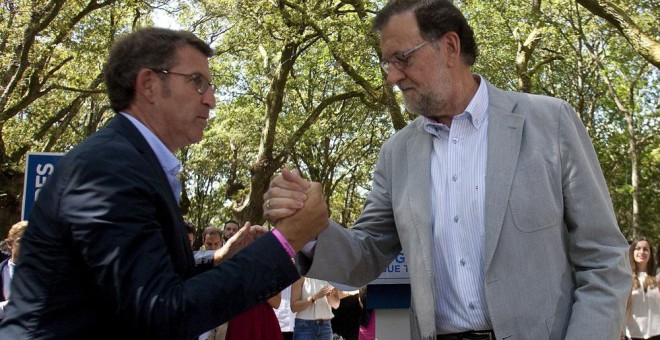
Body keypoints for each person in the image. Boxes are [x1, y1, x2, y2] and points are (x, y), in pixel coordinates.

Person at [263, 0, 631, 339]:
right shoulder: (397, 153)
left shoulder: (550, 122)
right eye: (386, 63)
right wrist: (308, 227)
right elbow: (365, 255)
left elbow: (604, 259)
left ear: (450, 47)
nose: (391, 76)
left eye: (402, 59)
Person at [0, 27, 328, 339]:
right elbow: (161, 313)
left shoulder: (133, 162)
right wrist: (288, 239)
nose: (211, 99)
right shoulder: (108, 170)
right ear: (149, 85)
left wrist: (217, 260)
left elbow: (144, 286)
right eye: (198, 82)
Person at [624, 237, 660, 340]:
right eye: (638, 248)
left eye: (645, 249)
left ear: (650, 253)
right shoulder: (625, 276)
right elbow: (622, 307)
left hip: (656, 334)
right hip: (633, 334)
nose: (642, 252)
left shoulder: (657, 275)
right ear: (632, 252)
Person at [0, 221, 27, 319]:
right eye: (21, 241)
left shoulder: (46, 273)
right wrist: (7, 306)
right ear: (9, 244)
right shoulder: (2, 271)